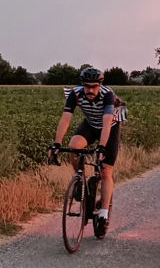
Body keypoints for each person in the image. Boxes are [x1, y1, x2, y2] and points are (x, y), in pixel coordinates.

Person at [49, 65, 123, 237]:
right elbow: (66, 118)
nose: (90, 90)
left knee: (105, 171)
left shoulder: (107, 95)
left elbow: (106, 124)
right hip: (90, 124)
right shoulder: (75, 94)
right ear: (82, 85)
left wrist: (102, 146)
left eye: (94, 87)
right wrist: (57, 143)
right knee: (74, 146)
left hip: (109, 126)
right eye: (87, 86)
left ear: (99, 85)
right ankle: (79, 179)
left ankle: (104, 214)